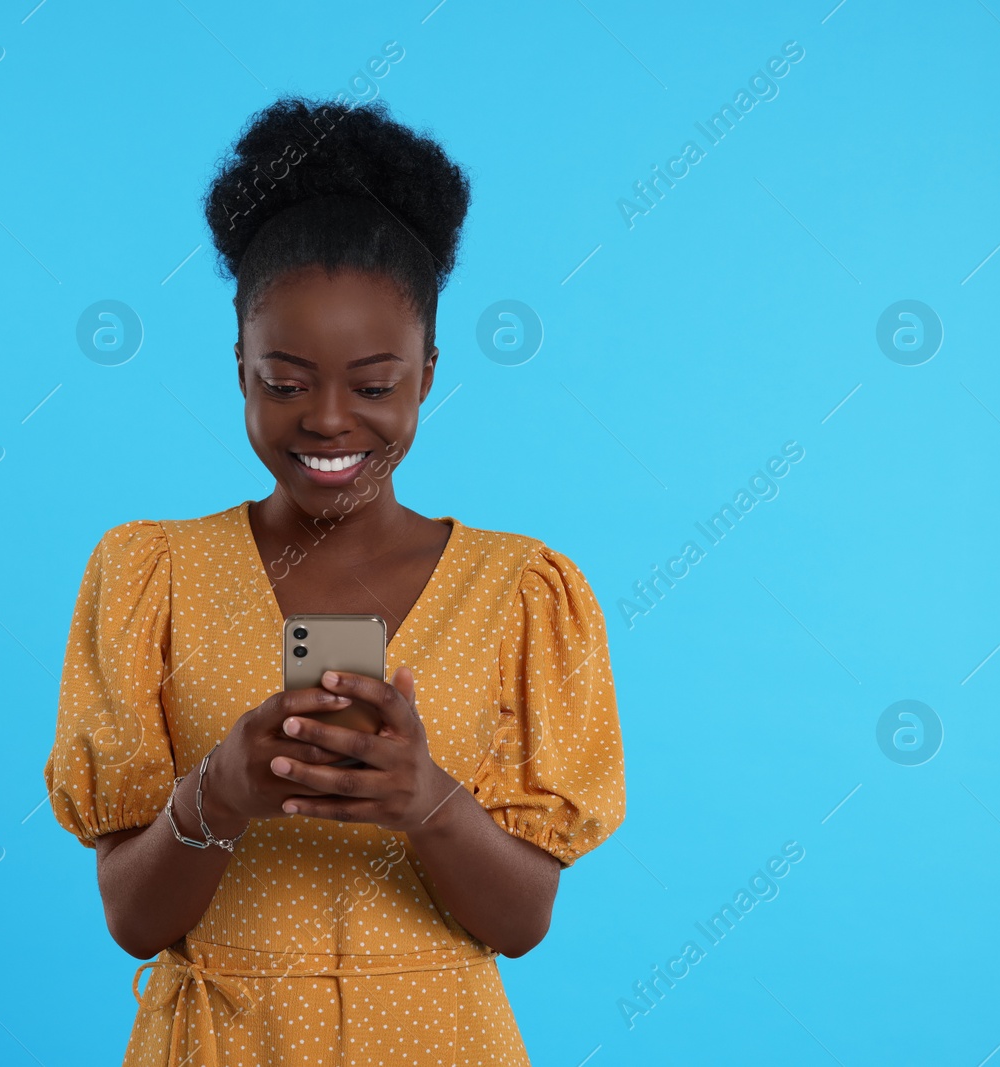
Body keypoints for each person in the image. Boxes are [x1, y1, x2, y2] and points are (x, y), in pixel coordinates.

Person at [44, 95, 626, 1067]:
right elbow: (134, 921)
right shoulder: (149, 575)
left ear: (427, 373)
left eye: (371, 383)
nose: (326, 420)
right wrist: (219, 792)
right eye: (284, 381)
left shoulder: (525, 589)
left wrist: (427, 798)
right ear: (238, 366)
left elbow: (520, 921)